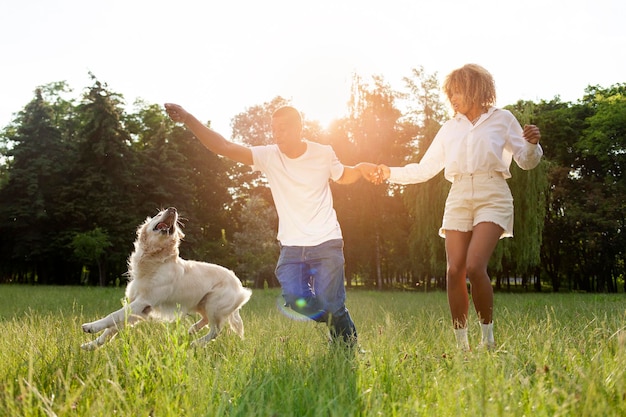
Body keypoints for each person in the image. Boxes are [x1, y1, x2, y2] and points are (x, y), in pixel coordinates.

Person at [164, 103, 374, 348]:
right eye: (274, 129)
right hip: (293, 246)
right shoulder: (269, 156)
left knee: (332, 301)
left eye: (283, 129)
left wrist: (360, 170)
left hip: (326, 240)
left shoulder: (323, 153)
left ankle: (349, 347)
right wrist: (189, 118)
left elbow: (343, 175)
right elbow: (224, 147)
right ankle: (337, 324)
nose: (277, 134)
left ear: (299, 128)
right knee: (296, 300)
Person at [366, 64, 543, 351]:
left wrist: (533, 145)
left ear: (476, 89)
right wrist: (389, 173)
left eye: (457, 91)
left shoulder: (503, 119)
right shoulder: (450, 128)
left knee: (474, 266)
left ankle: (488, 340)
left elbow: (525, 160)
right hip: (459, 195)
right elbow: (426, 168)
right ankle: (462, 346)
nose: (453, 99)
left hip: (492, 192)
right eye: (450, 94)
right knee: (454, 271)